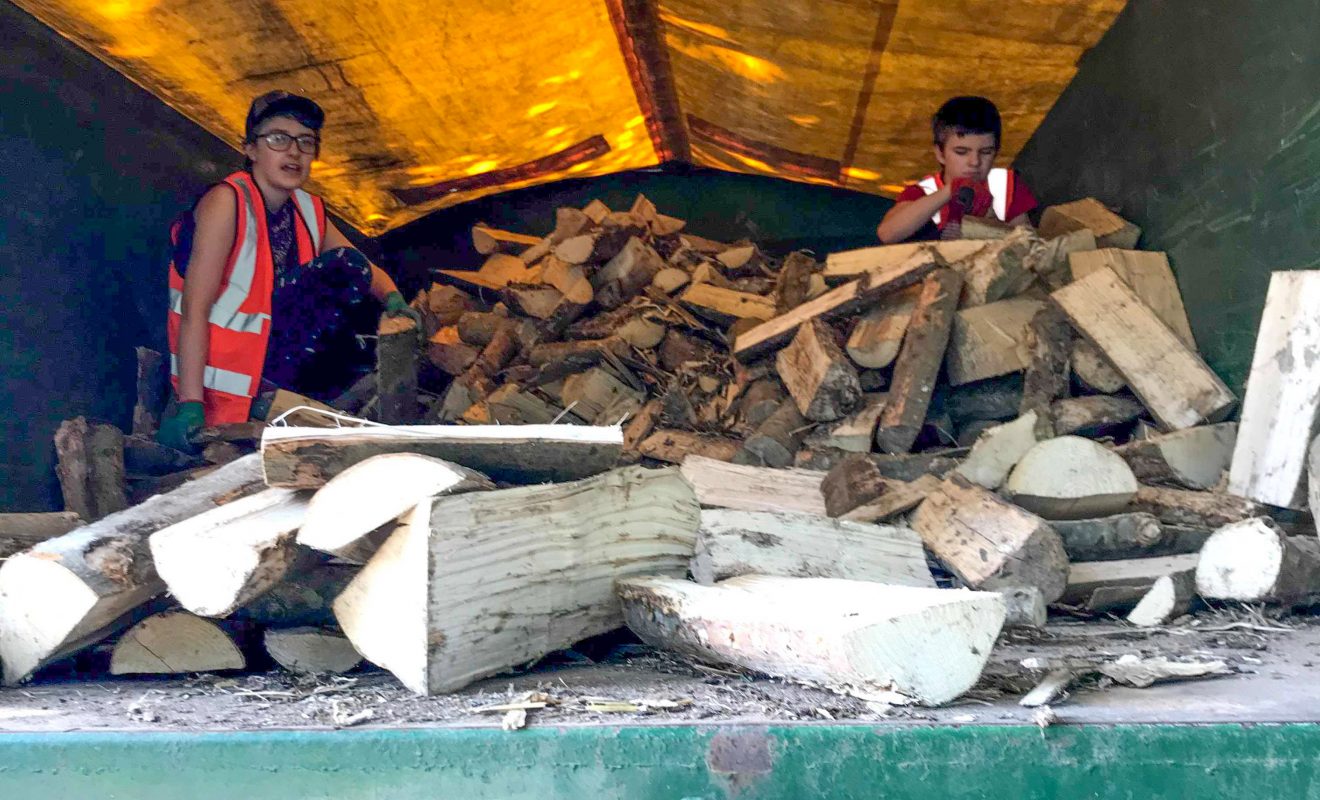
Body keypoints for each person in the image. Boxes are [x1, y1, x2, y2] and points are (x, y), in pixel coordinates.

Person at [158, 90, 418, 451]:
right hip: (227, 383)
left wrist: (394, 299)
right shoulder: (227, 202)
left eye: (305, 142)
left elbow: (366, 269)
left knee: (354, 303)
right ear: (250, 149)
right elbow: (194, 310)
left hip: (280, 363)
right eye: (279, 139)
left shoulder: (307, 210)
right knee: (341, 268)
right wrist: (190, 404)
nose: (293, 151)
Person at [876, 96, 1038, 244]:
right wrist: (948, 191)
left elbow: (1028, 241)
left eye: (986, 152)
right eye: (962, 152)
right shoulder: (925, 191)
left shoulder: (1004, 187)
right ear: (940, 153)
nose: (974, 162)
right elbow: (887, 233)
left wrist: (987, 222)